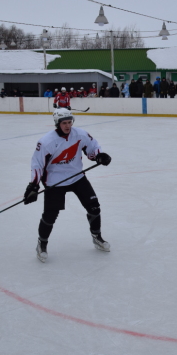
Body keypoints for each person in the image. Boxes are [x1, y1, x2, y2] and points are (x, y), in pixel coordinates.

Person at [24, 108, 112, 262]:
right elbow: (37, 164)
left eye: (69, 122)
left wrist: (99, 156)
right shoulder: (46, 142)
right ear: (57, 124)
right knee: (50, 215)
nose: (67, 126)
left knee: (94, 207)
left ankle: (97, 237)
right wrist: (34, 185)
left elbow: (92, 147)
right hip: (55, 181)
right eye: (64, 123)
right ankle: (42, 244)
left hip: (77, 177)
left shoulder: (80, 134)